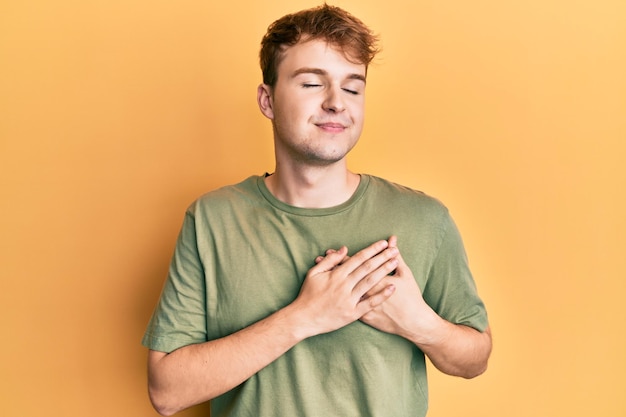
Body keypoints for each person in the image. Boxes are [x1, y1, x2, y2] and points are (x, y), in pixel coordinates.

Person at [142, 4, 492, 417]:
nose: (335, 103)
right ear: (267, 100)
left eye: (352, 88)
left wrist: (417, 322)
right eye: (312, 83)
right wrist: (305, 316)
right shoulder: (212, 220)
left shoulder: (424, 218)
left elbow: (476, 358)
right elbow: (167, 392)